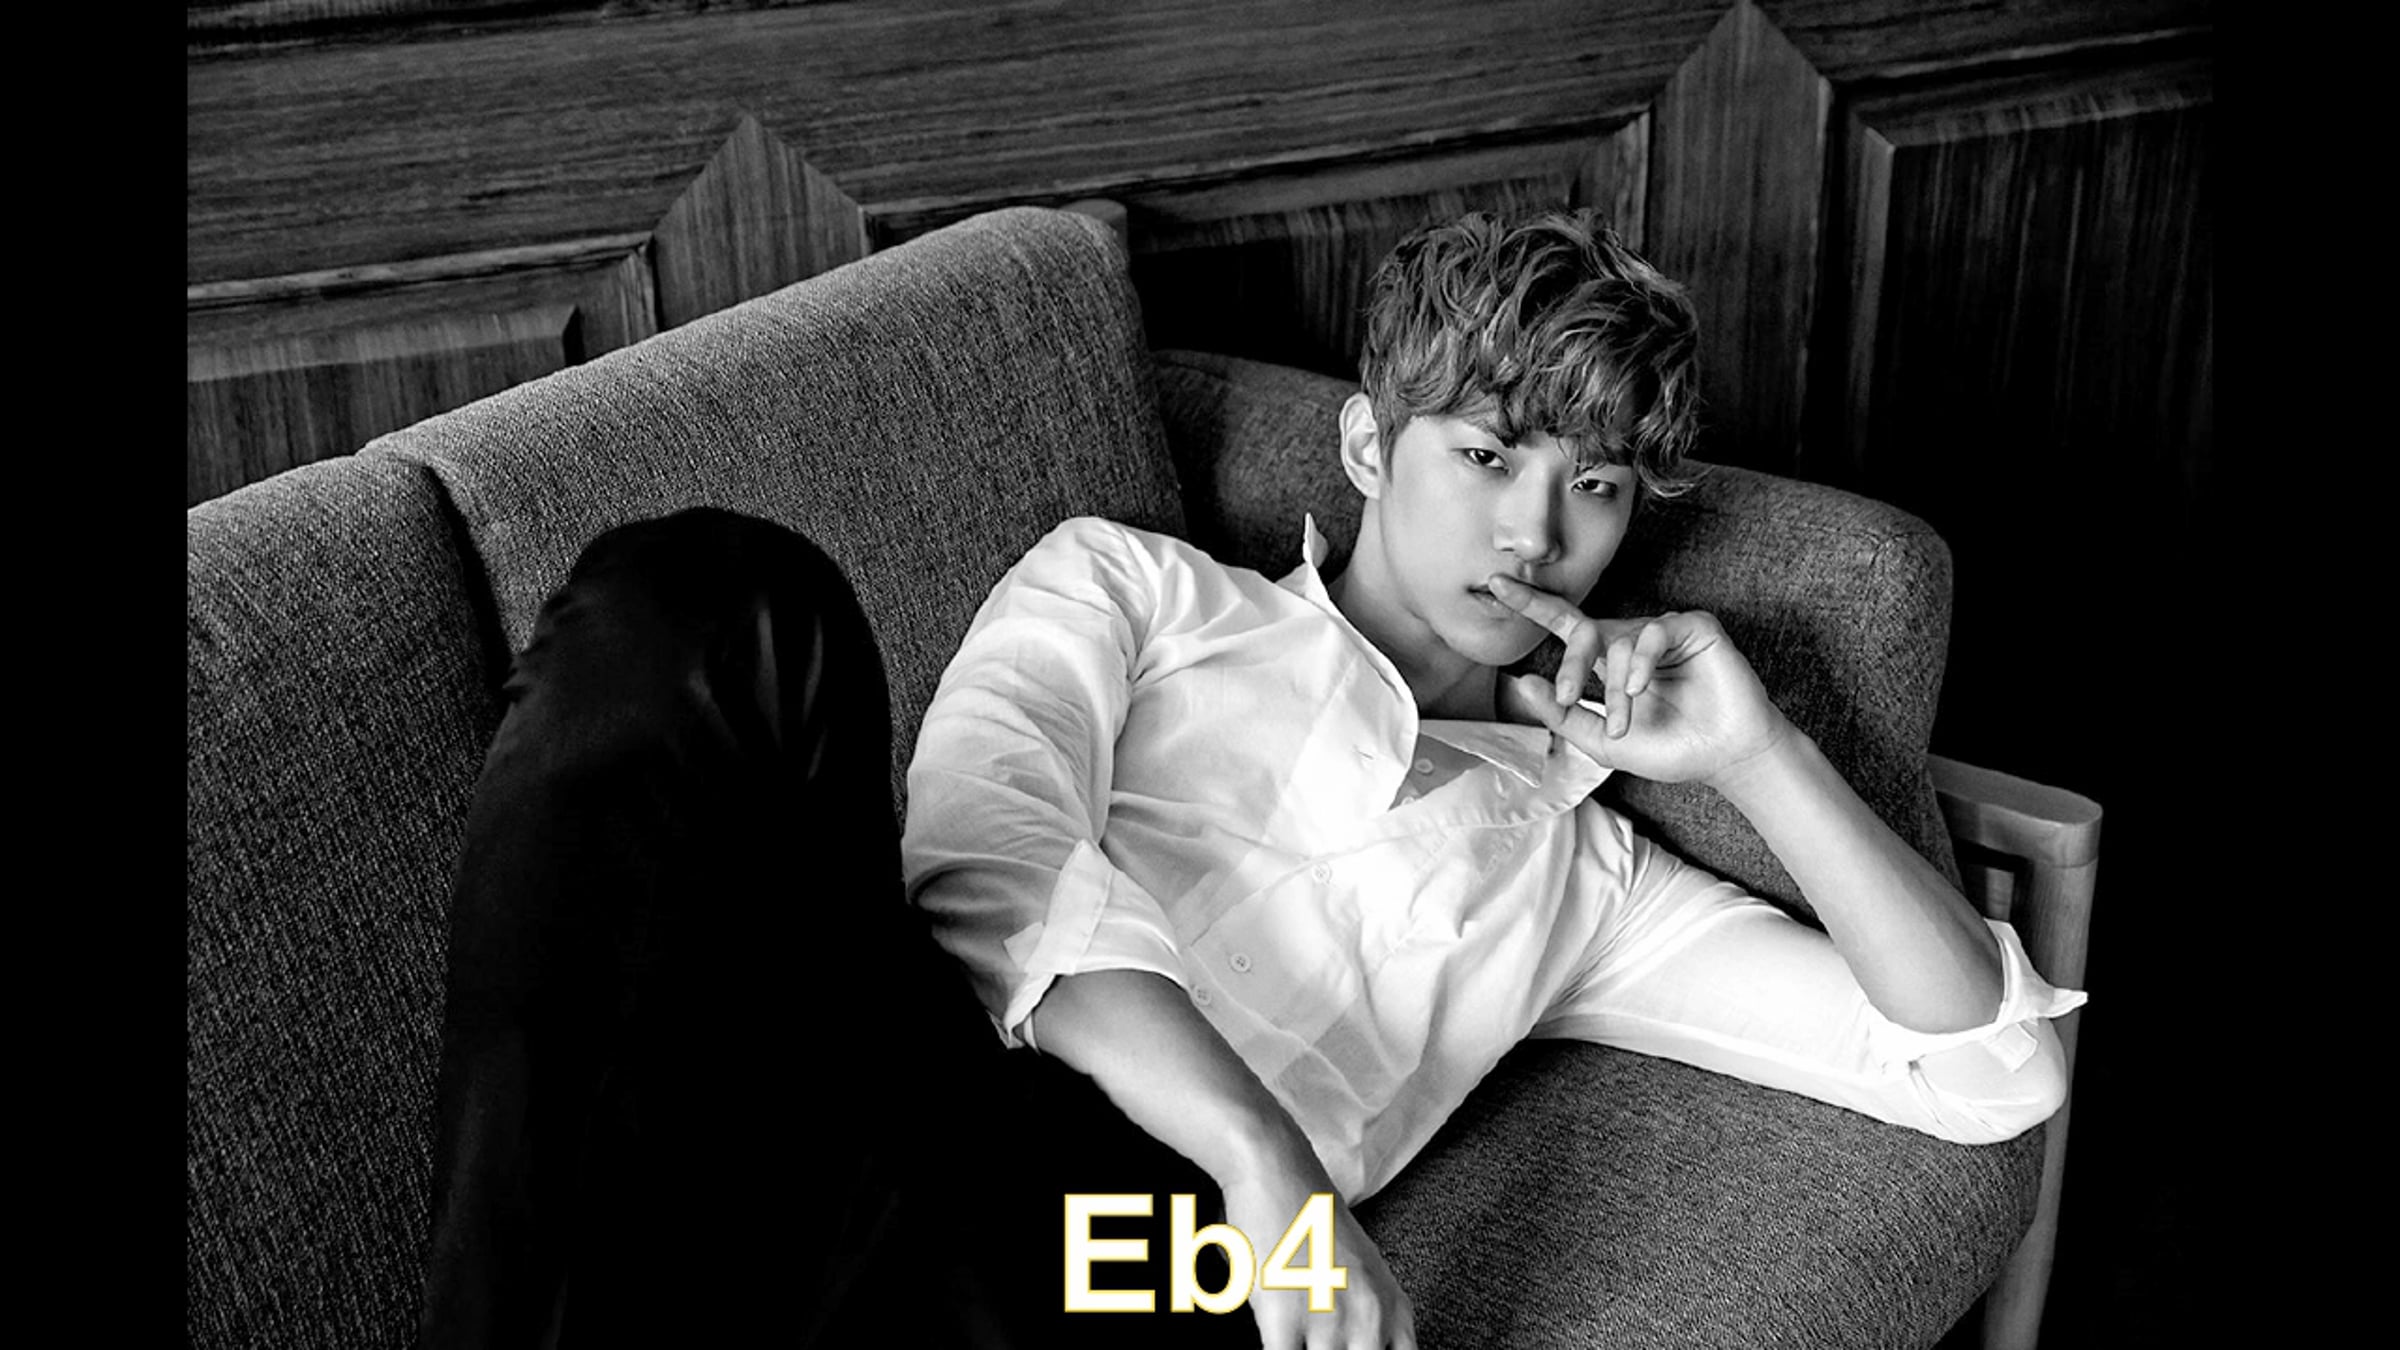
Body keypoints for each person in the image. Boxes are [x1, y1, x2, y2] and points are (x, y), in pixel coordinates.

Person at [413, 208, 2084, 1350]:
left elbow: (1988, 1072)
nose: (1533, 530)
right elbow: (988, 860)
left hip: (1143, 1260)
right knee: (719, 600)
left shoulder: (1585, 879)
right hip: (910, 1077)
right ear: (1366, 447)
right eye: (1486, 455)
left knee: (1116, 1276)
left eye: (1591, 487)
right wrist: (1266, 1157)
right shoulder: (1133, 588)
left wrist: (1758, 753)